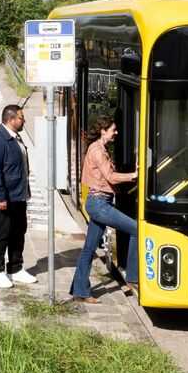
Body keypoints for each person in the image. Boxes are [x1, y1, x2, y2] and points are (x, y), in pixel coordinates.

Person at [70, 115, 138, 304]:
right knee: (136, 229)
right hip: (99, 204)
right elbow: (111, 177)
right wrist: (134, 175)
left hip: (98, 202)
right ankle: (133, 277)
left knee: (89, 249)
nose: (116, 132)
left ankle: (80, 291)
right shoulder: (98, 151)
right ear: (103, 131)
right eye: (113, 129)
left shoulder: (99, 148)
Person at [0, 104, 38, 289]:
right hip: (4, 197)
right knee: (1, 234)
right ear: (11, 119)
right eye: (21, 118)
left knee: (18, 232)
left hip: (18, 196)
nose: (24, 121)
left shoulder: (16, 138)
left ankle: (15, 268)